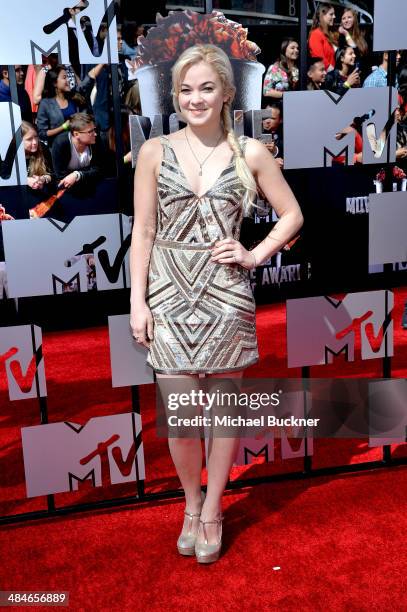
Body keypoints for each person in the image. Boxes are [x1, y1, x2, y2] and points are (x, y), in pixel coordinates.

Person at [129, 44, 303, 564]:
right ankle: (191, 502)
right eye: (185, 89)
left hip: (226, 296)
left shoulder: (251, 152)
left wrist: (254, 254)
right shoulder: (154, 151)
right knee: (181, 416)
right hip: (167, 290)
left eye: (206, 88)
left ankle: (213, 511)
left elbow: (291, 215)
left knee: (222, 413)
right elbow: (143, 231)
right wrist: (138, 303)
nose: (195, 98)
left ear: (227, 93)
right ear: (174, 96)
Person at [36, 64, 103, 146]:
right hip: (59, 149)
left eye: (67, 77)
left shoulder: (74, 96)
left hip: (79, 147)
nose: (68, 80)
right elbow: (42, 133)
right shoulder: (45, 104)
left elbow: (89, 78)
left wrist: (102, 64)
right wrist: (63, 127)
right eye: (64, 78)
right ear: (54, 83)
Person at [51, 112, 102, 190]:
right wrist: (88, 173)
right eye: (90, 132)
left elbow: (99, 171)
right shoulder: (60, 143)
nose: (95, 134)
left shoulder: (96, 141)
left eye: (94, 130)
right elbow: (60, 178)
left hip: (92, 188)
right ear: (76, 134)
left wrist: (77, 174)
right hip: (69, 192)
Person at [21, 121, 53, 190]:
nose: (35, 142)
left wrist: (43, 179)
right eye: (29, 139)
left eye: (36, 137)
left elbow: (53, 175)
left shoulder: (42, 148)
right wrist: (25, 180)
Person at [308, 3, 338, 72]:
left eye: (334, 14)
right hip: (324, 76)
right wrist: (334, 73)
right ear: (323, 16)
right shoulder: (316, 34)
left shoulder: (330, 33)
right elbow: (320, 58)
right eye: (331, 14)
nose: (334, 16)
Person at [261, 99, 284, 168]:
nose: (267, 121)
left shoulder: (285, 136)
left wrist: (275, 150)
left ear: (281, 120)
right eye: (265, 117)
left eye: (272, 118)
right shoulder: (253, 129)